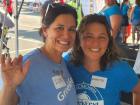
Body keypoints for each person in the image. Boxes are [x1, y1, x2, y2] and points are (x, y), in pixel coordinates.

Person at [0, 2, 78, 105]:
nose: (66, 35)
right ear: (45, 30)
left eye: (71, 29)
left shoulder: (62, 61)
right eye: (59, 28)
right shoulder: (26, 66)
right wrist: (9, 86)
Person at [64, 14, 140, 105]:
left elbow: (138, 90)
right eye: (89, 36)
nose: (95, 43)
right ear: (79, 39)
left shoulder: (120, 69)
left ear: (109, 41)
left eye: (102, 37)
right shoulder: (67, 63)